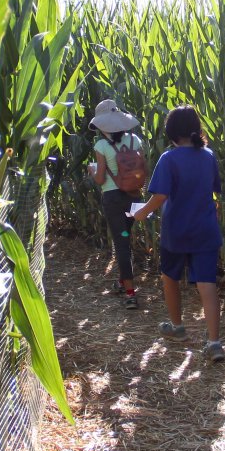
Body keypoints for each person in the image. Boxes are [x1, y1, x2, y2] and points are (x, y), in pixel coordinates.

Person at [132, 105, 225, 362]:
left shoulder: (169, 159)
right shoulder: (208, 156)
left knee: (169, 277)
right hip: (205, 230)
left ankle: (177, 327)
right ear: (196, 128)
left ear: (171, 132)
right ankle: (215, 343)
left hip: (177, 231)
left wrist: (142, 213)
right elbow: (213, 189)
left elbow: (160, 196)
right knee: (207, 284)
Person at [88, 99, 144, 309]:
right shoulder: (135, 140)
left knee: (121, 244)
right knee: (125, 236)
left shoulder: (101, 145)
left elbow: (100, 179)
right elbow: (141, 169)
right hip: (134, 197)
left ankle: (130, 294)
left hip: (113, 199)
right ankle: (122, 281)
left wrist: (92, 170)